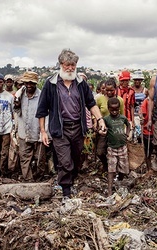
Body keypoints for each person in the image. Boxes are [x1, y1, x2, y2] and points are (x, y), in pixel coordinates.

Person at [36, 49, 106, 201]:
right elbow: (42, 109)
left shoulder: (81, 84)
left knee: (75, 157)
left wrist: (100, 120)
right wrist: (43, 131)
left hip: (78, 127)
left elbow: (91, 103)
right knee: (65, 161)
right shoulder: (51, 84)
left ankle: (70, 178)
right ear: (61, 64)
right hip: (60, 129)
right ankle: (66, 191)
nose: (70, 68)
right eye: (67, 65)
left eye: (73, 65)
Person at [14, 71, 46, 181]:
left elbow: (46, 114)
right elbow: (17, 112)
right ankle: (28, 179)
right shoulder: (20, 95)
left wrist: (44, 132)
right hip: (24, 132)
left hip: (37, 132)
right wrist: (17, 105)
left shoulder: (41, 95)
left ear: (35, 83)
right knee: (24, 157)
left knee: (39, 159)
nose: (29, 85)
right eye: (27, 83)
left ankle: (39, 178)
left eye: (31, 83)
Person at [95, 79, 125, 172]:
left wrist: (123, 130)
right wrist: (95, 124)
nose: (109, 92)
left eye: (111, 90)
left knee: (117, 151)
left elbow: (122, 115)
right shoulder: (100, 99)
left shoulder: (119, 100)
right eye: (107, 90)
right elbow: (95, 112)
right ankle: (105, 164)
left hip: (115, 129)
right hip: (104, 129)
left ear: (115, 89)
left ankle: (117, 169)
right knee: (100, 152)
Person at [102, 97, 130, 195]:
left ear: (119, 108)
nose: (114, 112)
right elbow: (102, 128)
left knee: (124, 166)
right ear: (108, 109)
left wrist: (127, 133)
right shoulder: (106, 119)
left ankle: (119, 181)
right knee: (111, 168)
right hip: (111, 147)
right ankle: (109, 189)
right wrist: (101, 131)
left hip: (122, 146)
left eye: (116, 109)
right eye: (112, 110)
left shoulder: (122, 118)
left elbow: (128, 124)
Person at [117, 70, 135, 137]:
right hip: (117, 118)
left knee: (128, 137)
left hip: (128, 118)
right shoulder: (116, 90)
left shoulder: (132, 91)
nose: (124, 82)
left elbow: (132, 106)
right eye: (123, 80)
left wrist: (133, 121)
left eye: (126, 80)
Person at [131, 72, 147, 141]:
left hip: (142, 114)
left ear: (141, 81)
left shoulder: (145, 91)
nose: (137, 81)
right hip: (133, 114)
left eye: (139, 80)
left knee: (141, 132)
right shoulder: (130, 90)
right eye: (136, 80)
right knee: (134, 133)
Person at [140, 90, 153, 169]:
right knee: (148, 151)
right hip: (147, 130)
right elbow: (141, 112)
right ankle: (149, 168)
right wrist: (141, 117)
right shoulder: (146, 101)